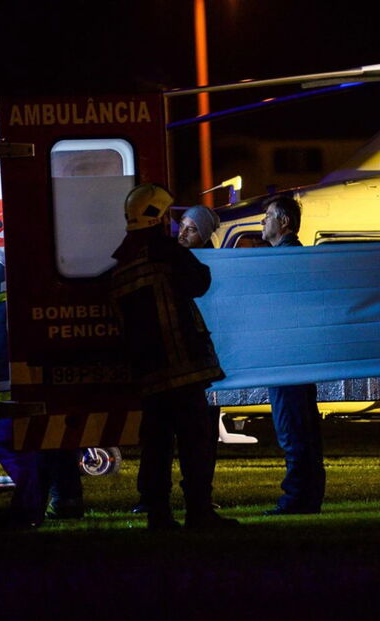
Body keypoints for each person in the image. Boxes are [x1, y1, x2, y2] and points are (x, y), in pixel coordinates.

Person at [109, 183, 237, 530]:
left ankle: (158, 514)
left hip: (148, 373)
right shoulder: (166, 251)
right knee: (195, 441)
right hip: (183, 366)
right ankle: (199, 511)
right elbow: (199, 282)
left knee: (157, 446)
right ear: (158, 216)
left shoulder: (120, 261)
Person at [0, 199, 85, 526]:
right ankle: (65, 499)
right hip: (26, 368)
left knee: (11, 444)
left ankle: (29, 506)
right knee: (49, 441)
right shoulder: (26, 264)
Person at [260, 195, 326, 515]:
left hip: (287, 361)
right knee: (302, 429)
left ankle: (297, 497)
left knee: (293, 431)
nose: (263, 222)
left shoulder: (285, 260)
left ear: (284, 223)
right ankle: (307, 495)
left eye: (268, 216)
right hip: (295, 359)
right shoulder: (292, 257)